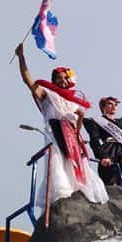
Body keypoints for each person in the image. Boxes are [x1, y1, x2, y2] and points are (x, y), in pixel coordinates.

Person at [15, 43, 108, 206]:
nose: (62, 81)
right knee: (59, 168)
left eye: (65, 78)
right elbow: (27, 80)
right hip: (55, 134)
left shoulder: (73, 101)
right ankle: (61, 200)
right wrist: (21, 57)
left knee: (80, 171)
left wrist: (80, 117)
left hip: (73, 139)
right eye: (58, 78)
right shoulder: (47, 94)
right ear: (54, 81)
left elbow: (77, 129)